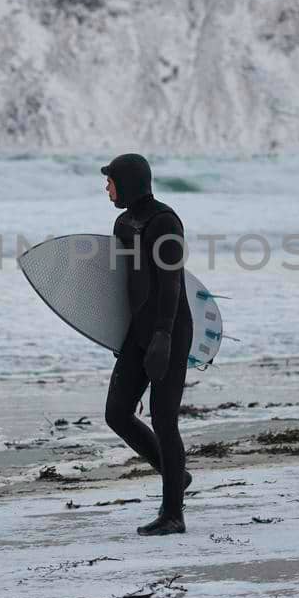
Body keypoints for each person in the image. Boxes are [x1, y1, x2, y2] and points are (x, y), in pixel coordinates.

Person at [101, 153, 193, 536]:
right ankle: (176, 474)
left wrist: (162, 337)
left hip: (168, 330)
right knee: (117, 413)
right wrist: (119, 334)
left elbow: (171, 284)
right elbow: (125, 285)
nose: (107, 188)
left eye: (111, 181)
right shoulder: (123, 223)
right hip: (138, 331)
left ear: (129, 181)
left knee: (164, 418)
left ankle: (173, 513)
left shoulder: (165, 222)